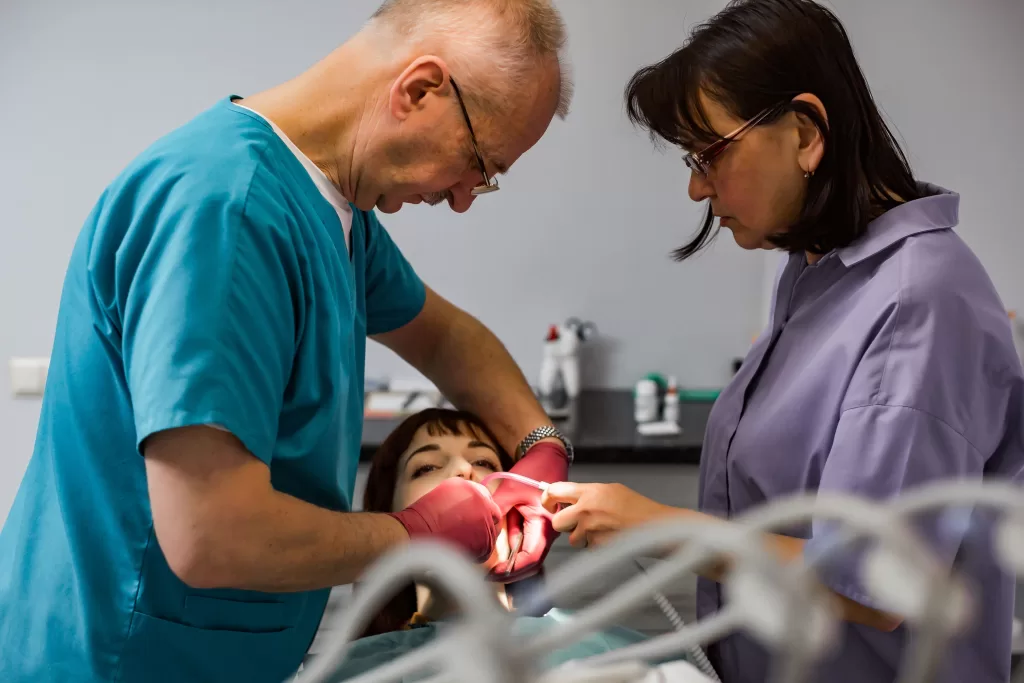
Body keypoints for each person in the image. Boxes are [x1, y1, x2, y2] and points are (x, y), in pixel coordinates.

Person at [0, 2, 574, 682]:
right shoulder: (225, 212)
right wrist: (420, 532)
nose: (464, 197)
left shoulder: (333, 210)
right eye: (478, 163)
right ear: (419, 91)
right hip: (124, 658)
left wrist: (540, 447)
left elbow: (447, 336)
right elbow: (212, 536)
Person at [540, 1, 1024, 682]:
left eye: (709, 154)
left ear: (804, 132)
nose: (695, 187)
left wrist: (657, 526)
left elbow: (872, 580)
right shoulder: (814, 269)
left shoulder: (920, 302)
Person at [323, 408, 660, 680]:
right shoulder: (354, 670)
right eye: (426, 467)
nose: (463, 471)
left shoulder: (602, 651)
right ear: (388, 515)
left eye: (484, 463)